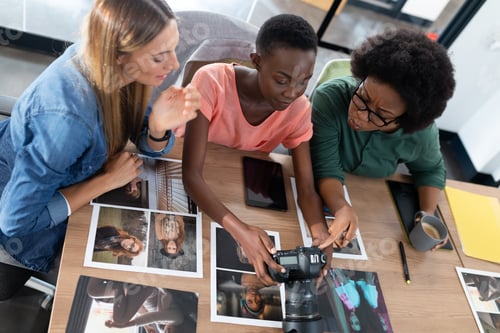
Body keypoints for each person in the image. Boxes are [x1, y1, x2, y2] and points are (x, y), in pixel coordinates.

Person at [0, 0, 201, 301]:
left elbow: (146, 137)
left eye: (174, 48)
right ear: (120, 56)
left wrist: (158, 126)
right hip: (19, 237)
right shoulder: (66, 121)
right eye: (160, 56)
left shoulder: (113, 68)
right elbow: (16, 221)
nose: (174, 65)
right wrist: (106, 180)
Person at [180, 14, 330, 285]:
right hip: (192, 178)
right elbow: (191, 174)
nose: (292, 92)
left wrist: (320, 234)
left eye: (304, 81)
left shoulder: (298, 109)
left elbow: (306, 190)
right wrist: (241, 231)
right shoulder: (211, 81)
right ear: (257, 61)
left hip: (235, 191)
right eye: (282, 80)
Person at [309, 28, 455, 251]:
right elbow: (324, 167)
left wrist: (427, 212)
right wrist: (341, 207)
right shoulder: (330, 98)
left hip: (372, 198)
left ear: (406, 121)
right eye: (362, 97)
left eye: (380, 115)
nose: (359, 115)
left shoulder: (421, 134)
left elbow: (431, 170)